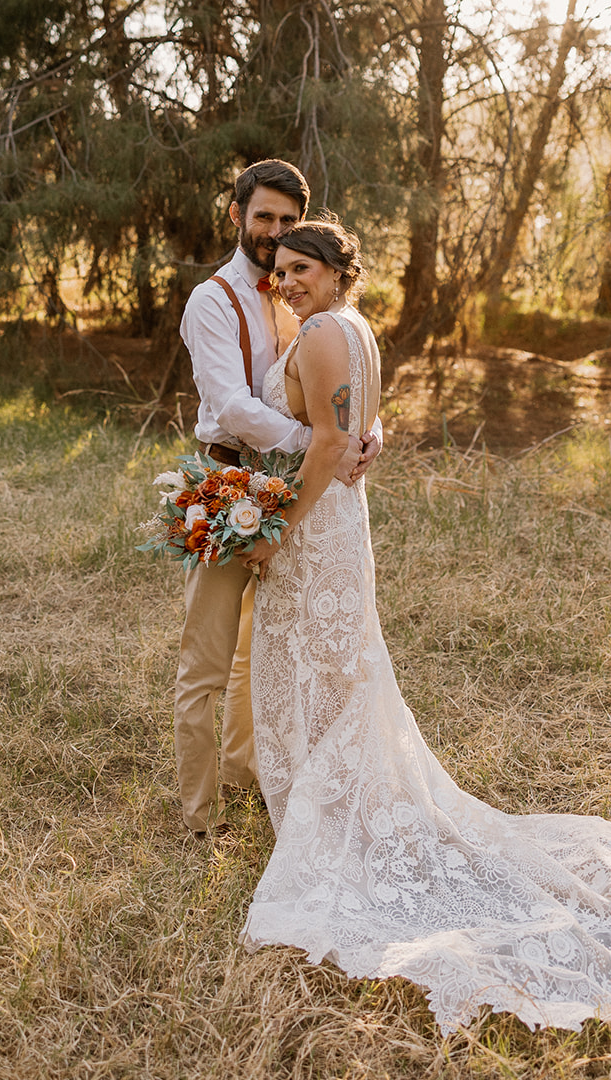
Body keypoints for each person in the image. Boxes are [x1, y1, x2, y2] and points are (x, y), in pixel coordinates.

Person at [238, 219, 611, 1049]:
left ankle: (330, 815)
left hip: (315, 523)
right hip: (336, 518)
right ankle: (328, 803)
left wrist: (274, 530)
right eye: (279, 269)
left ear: (337, 274)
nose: (286, 280)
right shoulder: (354, 329)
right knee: (331, 666)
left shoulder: (325, 331)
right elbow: (367, 424)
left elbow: (332, 439)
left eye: (301, 268)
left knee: (319, 662)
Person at [175, 160, 379, 834]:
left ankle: (250, 778)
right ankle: (198, 811)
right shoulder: (213, 299)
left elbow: (338, 379)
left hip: (298, 488)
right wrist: (322, 438)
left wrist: (364, 429)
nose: (274, 233)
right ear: (237, 215)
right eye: (263, 217)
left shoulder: (305, 296)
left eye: (288, 222)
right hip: (230, 480)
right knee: (208, 653)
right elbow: (232, 404)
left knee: (262, 652)